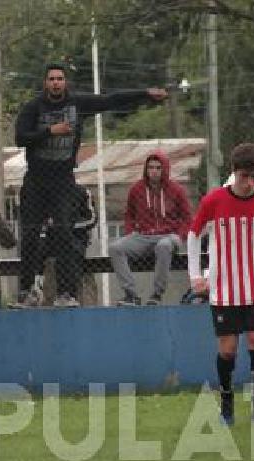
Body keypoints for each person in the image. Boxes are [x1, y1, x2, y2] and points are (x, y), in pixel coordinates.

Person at [13, 62, 167, 308]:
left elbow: (111, 100)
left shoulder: (77, 104)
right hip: (36, 179)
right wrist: (50, 131)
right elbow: (21, 138)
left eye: (60, 79)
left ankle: (66, 294)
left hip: (62, 180)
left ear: (65, 83)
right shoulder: (33, 108)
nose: (56, 83)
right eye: (51, 79)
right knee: (30, 233)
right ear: (45, 83)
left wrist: (145, 94)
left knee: (64, 233)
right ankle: (26, 291)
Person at [187, 143, 254, 425]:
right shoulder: (214, 201)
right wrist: (196, 276)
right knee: (228, 349)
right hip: (223, 290)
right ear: (234, 172)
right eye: (245, 175)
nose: (249, 182)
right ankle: (227, 408)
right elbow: (194, 236)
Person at [109, 150, 192, 306]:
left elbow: (187, 218)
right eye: (150, 167)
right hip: (143, 235)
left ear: (165, 169)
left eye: (158, 168)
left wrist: (180, 236)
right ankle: (131, 294)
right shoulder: (136, 189)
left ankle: (156, 294)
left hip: (169, 236)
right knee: (115, 248)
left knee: (164, 246)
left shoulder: (177, 190)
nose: (153, 171)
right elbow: (129, 215)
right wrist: (130, 233)